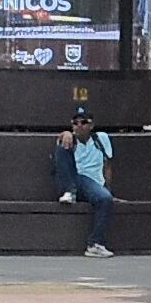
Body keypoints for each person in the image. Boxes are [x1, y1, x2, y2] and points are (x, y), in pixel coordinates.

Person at [52, 104, 117, 258]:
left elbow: (108, 165)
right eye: (75, 123)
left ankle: (95, 244)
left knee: (105, 199)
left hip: (94, 184)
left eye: (84, 122)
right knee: (62, 147)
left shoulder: (101, 138)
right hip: (76, 180)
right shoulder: (69, 140)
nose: (79, 126)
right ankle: (69, 191)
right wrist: (67, 134)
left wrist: (108, 189)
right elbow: (61, 162)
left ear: (91, 125)